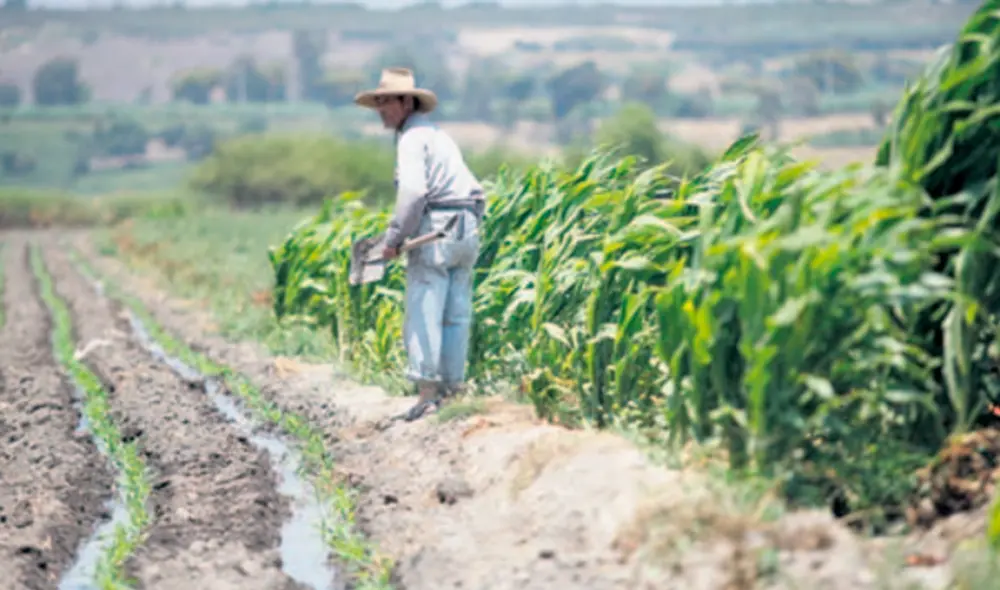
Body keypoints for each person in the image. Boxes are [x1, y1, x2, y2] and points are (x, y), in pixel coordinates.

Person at [354, 67, 485, 422]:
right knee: (456, 311)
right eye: (377, 102)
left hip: (439, 226)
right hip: (467, 225)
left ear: (406, 101)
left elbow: (413, 194)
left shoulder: (411, 139)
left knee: (425, 305)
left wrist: (394, 239)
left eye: (385, 102)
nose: (381, 109)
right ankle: (454, 390)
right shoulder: (437, 135)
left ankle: (427, 394)